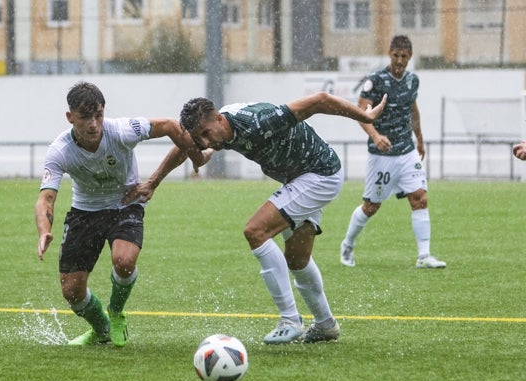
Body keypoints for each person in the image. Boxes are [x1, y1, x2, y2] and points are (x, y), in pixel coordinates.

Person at [129, 92, 386, 344]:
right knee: (297, 259)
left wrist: (364, 115)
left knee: (256, 231)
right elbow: (184, 146)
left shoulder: (259, 121)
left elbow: (320, 100)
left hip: (319, 174)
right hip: (301, 177)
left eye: (206, 134)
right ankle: (326, 325)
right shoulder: (216, 130)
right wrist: (153, 182)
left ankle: (290, 320)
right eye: (200, 138)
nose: (205, 142)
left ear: (218, 118)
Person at [35, 81, 211, 346]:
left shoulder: (122, 131)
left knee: (124, 260)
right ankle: (101, 328)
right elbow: (46, 198)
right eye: (85, 117)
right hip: (85, 211)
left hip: (125, 204)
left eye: (99, 115)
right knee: (72, 291)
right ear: (70, 117)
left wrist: (191, 160)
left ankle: (116, 313)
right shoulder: (59, 151)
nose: (94, 124)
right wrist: (44, 230)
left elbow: (171, 126)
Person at [339, 35, 446, 269]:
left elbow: (413, 110)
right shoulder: (376, 80)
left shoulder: (412, 81)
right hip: (382, 156)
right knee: (371, 207)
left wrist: (420, 140)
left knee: (420, 198)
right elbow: (360, 111)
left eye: (404, 57)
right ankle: (347, 244)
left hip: (406, 151)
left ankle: (424, 256)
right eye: (396, 55)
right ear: (389, 53)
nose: (399, 60)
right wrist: (376, 136)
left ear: (410, 57)